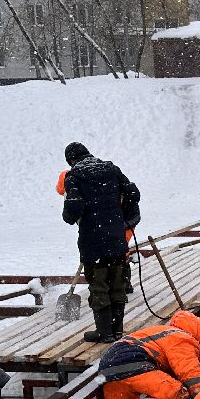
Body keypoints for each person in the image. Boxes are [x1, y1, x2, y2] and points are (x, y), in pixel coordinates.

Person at [62, 142, 141, 343]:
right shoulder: (111, 169)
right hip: (116, 239)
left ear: (71, 160)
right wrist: (124, 219)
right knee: (117, 284)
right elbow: (133, 194)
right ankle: (117, 330)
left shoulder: (74, 176)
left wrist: (69, 214)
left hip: (93, 242)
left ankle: (104, 332)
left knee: (99, 287)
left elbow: (72, 211)